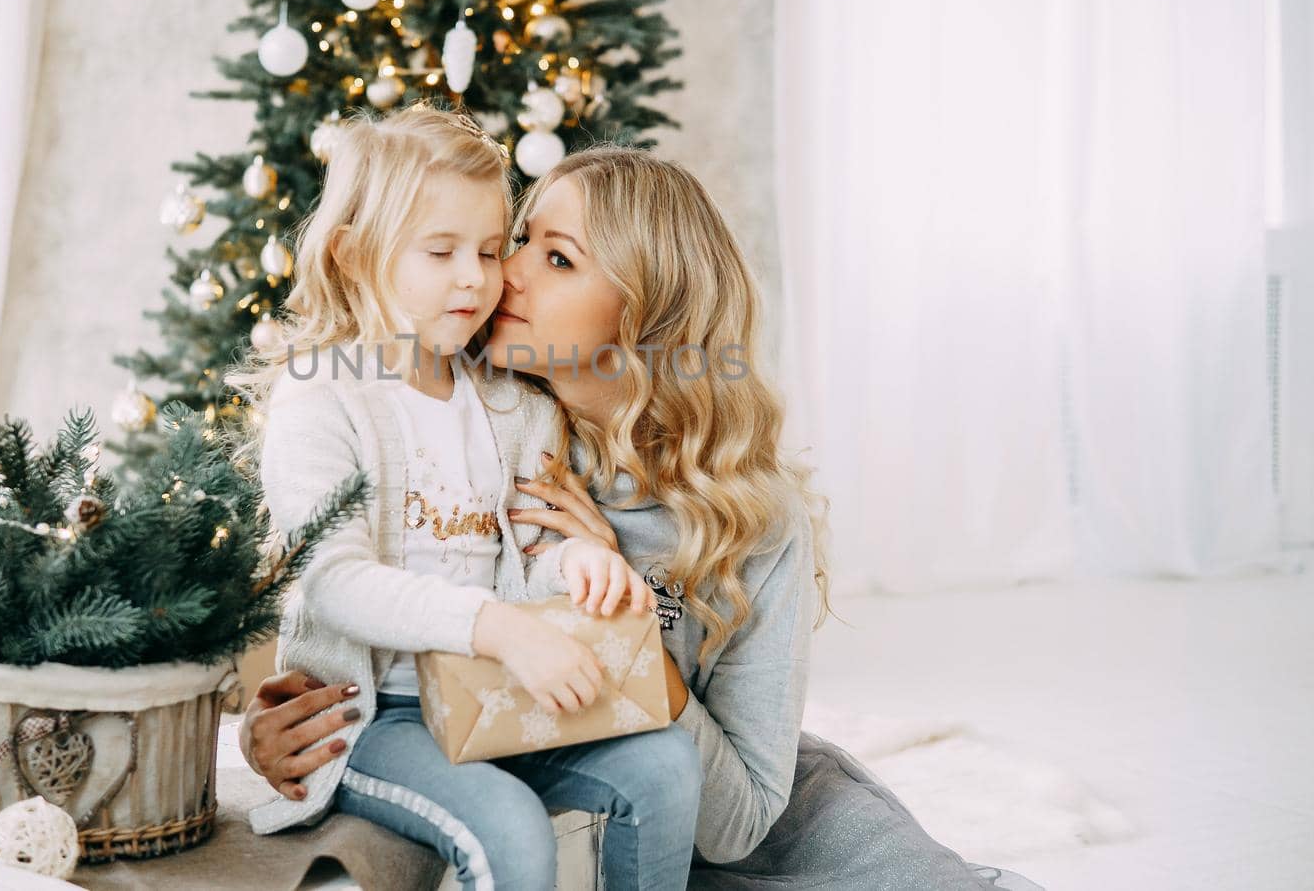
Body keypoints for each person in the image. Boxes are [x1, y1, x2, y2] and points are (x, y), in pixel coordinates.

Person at [241, 142, 1044, 891]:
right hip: (523, 773)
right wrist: (268, 729)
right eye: (514, 240)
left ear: (644, 317)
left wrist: (629, 632)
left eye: (555, 258)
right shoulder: (479, 419)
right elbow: (345, 575)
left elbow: (734, 822)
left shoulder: (754, 521)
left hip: (740, 821)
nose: (499, 274)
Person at [226, 108, 705, 890]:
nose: (477, 279)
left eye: (489, 250)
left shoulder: (516, 405)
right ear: (354, 257)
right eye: (440, 251)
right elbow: (332, 579)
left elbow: (533, 548)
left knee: (665, 765)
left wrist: (582, 563)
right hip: (375, 719)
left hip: (500, 698)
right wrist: (499, 629)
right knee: (507, 824)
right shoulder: (323, 400)